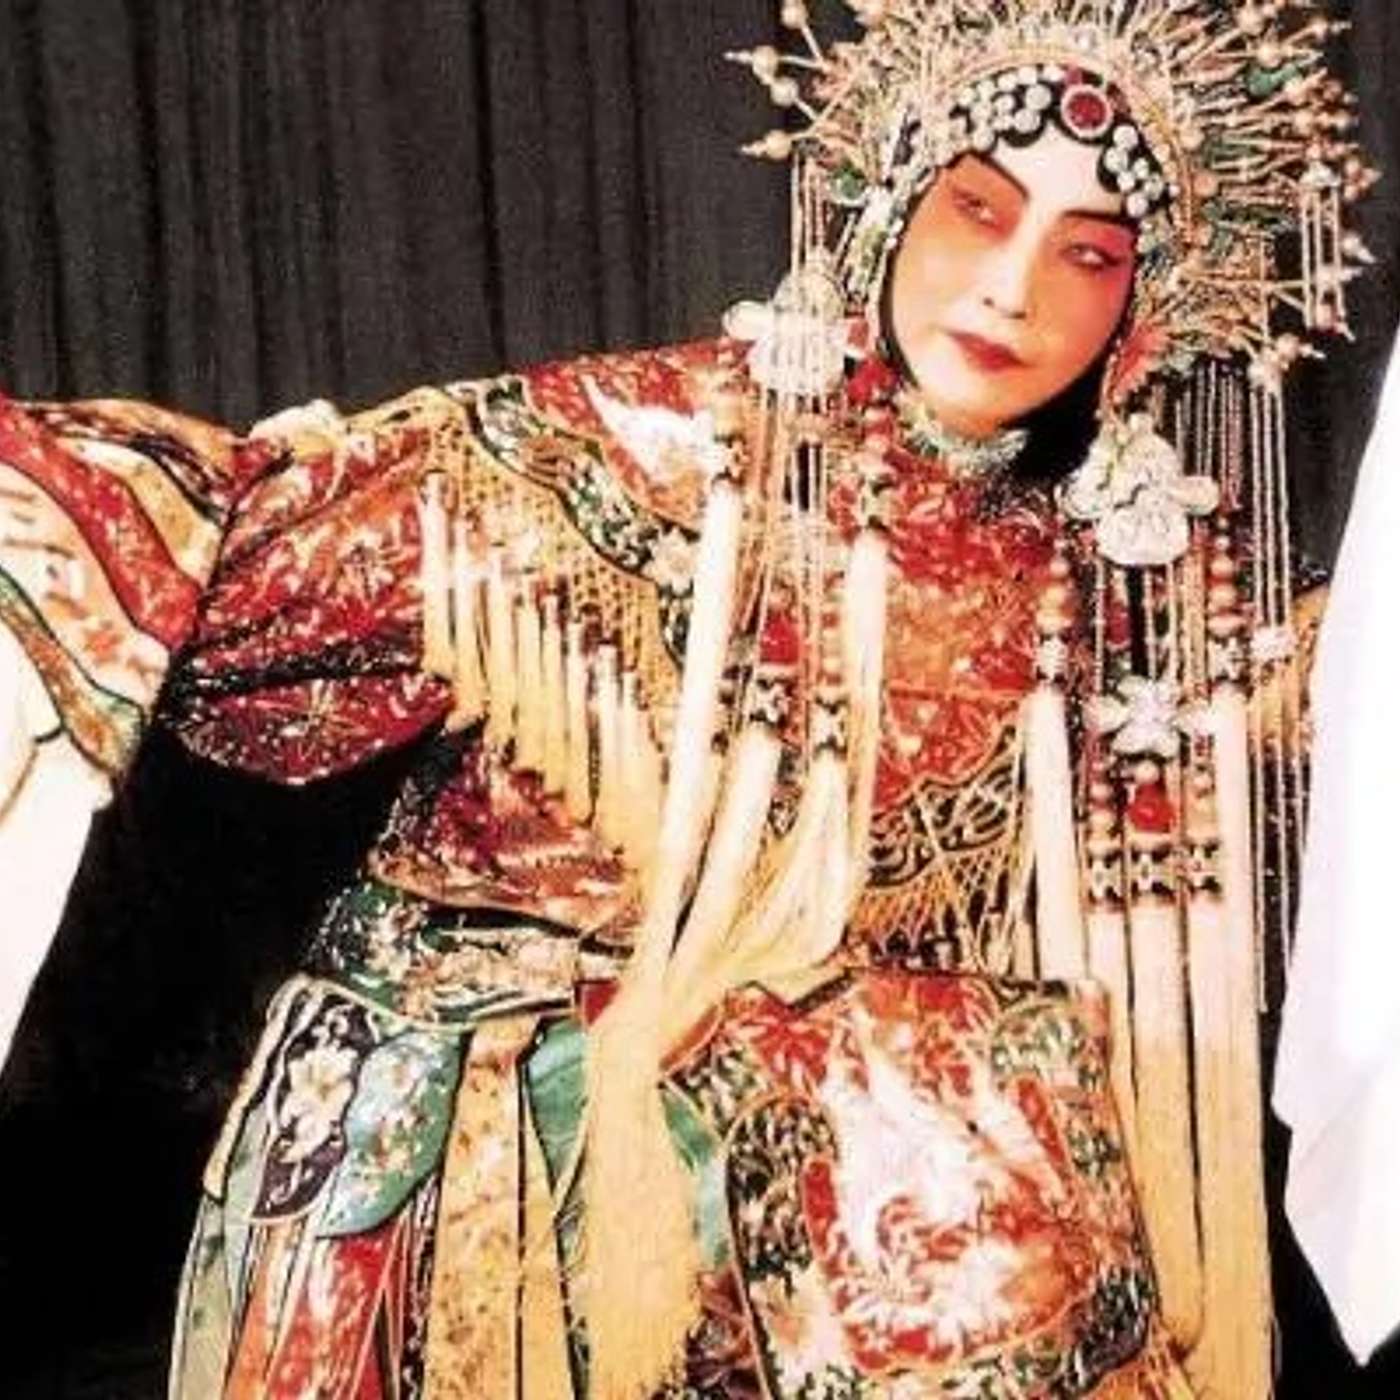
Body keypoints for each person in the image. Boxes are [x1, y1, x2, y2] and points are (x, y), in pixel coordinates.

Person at [0, 2, 1374, 1396]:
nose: (1013, 290)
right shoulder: (632, 452)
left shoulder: (1132, 589)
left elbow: (1335, 716)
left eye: (1087, 253)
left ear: (1145, 305)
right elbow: (235, 547)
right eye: (978, 210)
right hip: (492, 1166)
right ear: (890, 205)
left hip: (865, 1215)